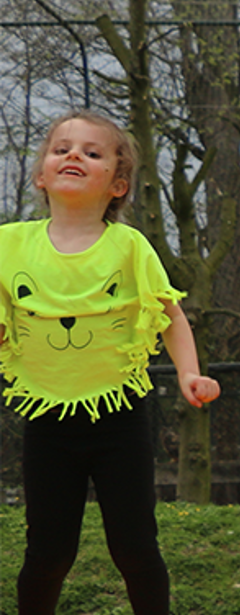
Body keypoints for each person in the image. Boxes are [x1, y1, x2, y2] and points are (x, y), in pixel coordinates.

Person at [0, 109, 221, 615]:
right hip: (46, 420)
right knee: (49, 553)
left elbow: (168, 315)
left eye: (92, 152)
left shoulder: (128, 247)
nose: (74, 154)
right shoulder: (9, 245)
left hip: (119, 420)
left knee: (135, 549)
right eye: (62, 149)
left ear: (117, 185)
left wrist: (189, 372)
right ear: (41, 174)